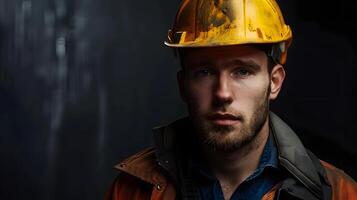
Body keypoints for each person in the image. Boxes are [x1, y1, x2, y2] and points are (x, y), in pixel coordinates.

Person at [105, 0, 357, 199]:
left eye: (243, 71)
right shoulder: (133, 191)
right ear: (183, 85)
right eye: (204, 72)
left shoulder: (338, 193)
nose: (223, 93)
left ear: (275, 82)